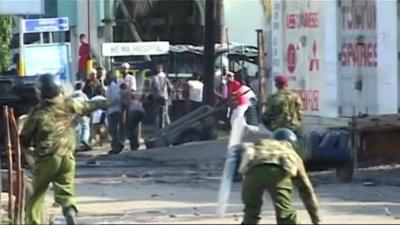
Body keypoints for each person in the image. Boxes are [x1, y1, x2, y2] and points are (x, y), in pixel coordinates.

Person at [20, 74, 108, 225]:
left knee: (36, 194)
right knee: (66, 192)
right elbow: (89, 106)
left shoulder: (38, 112)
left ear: (40, 92)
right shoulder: (69, 104)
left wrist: (29, 151)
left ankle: (34, 222)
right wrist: (108, 102)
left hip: (47, 158)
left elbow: (25, 137)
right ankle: (69, 212)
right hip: (67, 156)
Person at [238, 128, 320, 224]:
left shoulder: (259, 146)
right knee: (285, 214)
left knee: (250, 212)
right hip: (277, 171)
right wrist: (315, 219)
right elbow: (306, 189)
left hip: (253, 173)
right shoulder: (290, 153)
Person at [120, 83, 145, 151]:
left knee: (130, 129)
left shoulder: (123, 93)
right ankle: (136, 144)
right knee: (136, 128)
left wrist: (123, 118)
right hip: (141, 110)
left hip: (133, 111)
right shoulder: (132, 92)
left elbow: (124, 106)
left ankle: (134, 146)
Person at [105, 71, 125, 154]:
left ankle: (118, 144)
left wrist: (109, 104)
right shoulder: (110, 87)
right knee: (112, 129)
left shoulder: (113, 87)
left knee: (112, 129)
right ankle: (116, 145)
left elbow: (116, 98)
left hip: (114, 110)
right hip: (112, 110)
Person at [150, 64, 173, 128]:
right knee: (165, 113)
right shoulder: (165, 78)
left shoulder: (153, 78)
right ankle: (169, 127)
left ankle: (159, 128)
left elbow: (151, 88)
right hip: (164, 97)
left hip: (156, 97)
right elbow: (171, 87)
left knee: (157, 114)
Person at [71, 82, 91, 150]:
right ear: (81, 87)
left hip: (72, 112)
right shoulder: (83, 95)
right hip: (81, 111)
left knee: (75, 129)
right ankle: (84, 139)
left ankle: (75, 145)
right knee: (85, 126)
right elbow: (88, 104)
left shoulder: (71, 95)